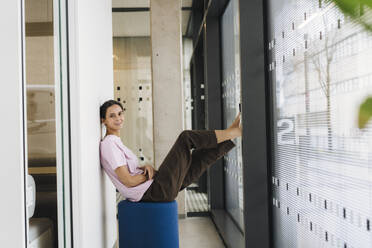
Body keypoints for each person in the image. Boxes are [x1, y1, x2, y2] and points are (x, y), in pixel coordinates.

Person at [99, 100, 241, 202]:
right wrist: (151, 175)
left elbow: (129, 172)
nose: (118, 118)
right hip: (155, 190)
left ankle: (230, 135)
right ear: (103, 120)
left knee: (198, 157)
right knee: (186, 138)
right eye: (112, 116)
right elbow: (128, 181)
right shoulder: (109, 144)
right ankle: (232, 132)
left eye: (120, 113)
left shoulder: (116, 142)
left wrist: (146, 168)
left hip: (155, 188)